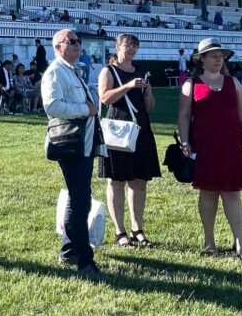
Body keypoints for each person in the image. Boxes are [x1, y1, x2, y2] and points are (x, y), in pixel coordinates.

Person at [178, 38, 242, 261]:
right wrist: (185, 142)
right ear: (201, 59)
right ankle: (209, 241)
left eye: (220, 55)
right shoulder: (191, 84)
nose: (218, 58)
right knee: (208, 193)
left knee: (233, 193)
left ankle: (240, 242)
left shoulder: (234, 83)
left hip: (231, 145)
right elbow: (184, 116)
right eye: (213, 55)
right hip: (203, 147)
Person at [41, 28, 102, 281]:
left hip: (83, 143)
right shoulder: (56, 72)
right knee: (79, 201)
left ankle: (69, 251)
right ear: (58, 47)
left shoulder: (74, 71)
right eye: (72, 41)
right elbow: (52, 105)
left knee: (80, 197)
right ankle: (84, 260)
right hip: (71, 144)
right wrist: (84, 109)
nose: (78, 45)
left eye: (79, 42)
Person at [98, 34, 160, 249]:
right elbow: (105, 98)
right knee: (116, 181)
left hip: (140, 128)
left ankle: (138, 229)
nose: (132, 49)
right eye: (128, 45)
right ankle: (120, 231)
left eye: (135, 45)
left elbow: (149, 106)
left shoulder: (141, 72)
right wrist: (128, 86)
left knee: (139, 181)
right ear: (118, 47)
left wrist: (147, 92)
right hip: (118, 128)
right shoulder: (109, 71)